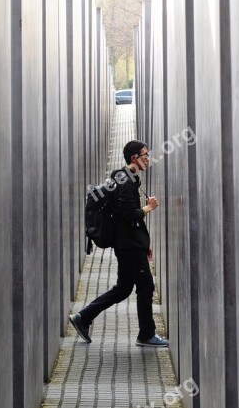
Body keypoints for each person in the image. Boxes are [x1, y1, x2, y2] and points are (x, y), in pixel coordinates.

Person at [69, 140, 169, 347]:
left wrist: (145, 242)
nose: (148, 159)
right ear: (134, 158)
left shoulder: (127, 179)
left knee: (123, 288)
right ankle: (146, 334)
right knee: (146, 287)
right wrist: (149, 207)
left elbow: (132, 218)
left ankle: (83, 317)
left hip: (131, 244)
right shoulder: (125, 181)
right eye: (145, 155)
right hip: (129, 246)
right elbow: (129, 214)